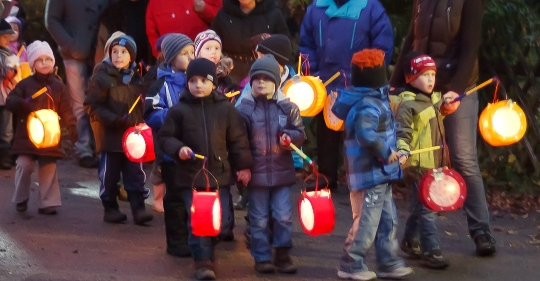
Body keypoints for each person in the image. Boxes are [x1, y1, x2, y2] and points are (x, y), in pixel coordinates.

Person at [389, 0, 496, 257]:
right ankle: (417, 238)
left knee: (463, 158)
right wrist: (394, 84)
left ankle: (481, 231)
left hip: (456, 87)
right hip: (421, 88)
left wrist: (456, 90)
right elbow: (412, 40)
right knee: (422, 160)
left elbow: (471, 47)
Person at [157, 58, 252, 280]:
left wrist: (243, 167)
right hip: (191, 176)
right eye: (193, 80)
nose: (198, 85)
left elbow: (238, 140)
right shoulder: (178, 111)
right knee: (198, 221)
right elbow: (165, 137)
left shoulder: (226, 110)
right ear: (187, 83)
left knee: (224, 220)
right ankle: (202, 261)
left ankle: (210, 244)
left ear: (213, 83)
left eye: (204, 80)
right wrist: (178, 148)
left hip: (220, 174)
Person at [331, 49, 413, 280]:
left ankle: (389, 260)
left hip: (381, 173)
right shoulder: (369, 104)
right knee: (367, 221)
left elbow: (382, 133)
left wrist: (395, 153)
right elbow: (366, 135)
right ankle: (351, 263)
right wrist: (386, 152)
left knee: (388, 218)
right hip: (369, 174)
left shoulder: (376, 101)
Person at [299, 0, 394, 191]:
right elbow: (306, 45)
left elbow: (382, 46)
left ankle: (365, 179)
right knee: (326, 133)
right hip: (324, 82)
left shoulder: (371, 8)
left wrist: (367, 74)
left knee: (361, 130)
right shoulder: (316, 8)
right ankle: (326, 176)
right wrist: (312, 74)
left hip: (359, 85)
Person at [236, 54, 304, 274]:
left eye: (267, 78)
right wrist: (243, 167)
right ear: (251, 81)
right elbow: (238, 141)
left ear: (276, 82)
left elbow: (299, 133)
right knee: (258, 218)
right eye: (257, 78)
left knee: (283, 215)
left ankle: (283, 254)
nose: (262, 82)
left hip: (281, 172)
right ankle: (262, 256)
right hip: (256, 174)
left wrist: (289, 138)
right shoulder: (244, 109)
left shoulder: (288, 107)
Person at [84, 34, 153, 225]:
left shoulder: (136, 78)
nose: (118, 56)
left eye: (123, 52)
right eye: (114, 52)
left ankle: (138, 208)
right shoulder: (102, 76)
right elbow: (91, 105)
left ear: (131, 56)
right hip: (110, 136)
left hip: (133, 138)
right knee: (109, 174)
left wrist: (141, 122)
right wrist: (113, 120)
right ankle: (110, 207)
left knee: (135, 173)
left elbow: (140, 105)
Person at [6, 40, 77, 215]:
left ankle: (48, 202)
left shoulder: (58, 86)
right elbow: (10, 101)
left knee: (48, 167)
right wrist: (21, 103)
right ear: (32, 64)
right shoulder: (24, 85)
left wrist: (72, 125)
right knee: (24, 165)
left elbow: (66, 109)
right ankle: (21, 198)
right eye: (40, 60)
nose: (45, 63)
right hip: (27, 136)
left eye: (48, 59)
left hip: (49, 136)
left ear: (53, 62)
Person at [394, 52, 449, 269]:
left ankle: (409, 240)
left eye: (432, 75)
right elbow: (403, 132)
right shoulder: (409, 106)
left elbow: (437, 118)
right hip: (417, 164)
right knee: (429, 206)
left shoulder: (433, 101)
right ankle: (431, 250)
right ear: (411, 78)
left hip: (433, 163)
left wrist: (444, 105)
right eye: (424, 75)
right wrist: (403, 150)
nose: (430, 80)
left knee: (419, 205)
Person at [144, 33, 195, 256]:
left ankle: (198, 238)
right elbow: (151, 112)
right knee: (174, 199)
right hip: (171, 153)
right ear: (172, 58)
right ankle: (176, 242)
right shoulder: (161, 83)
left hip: (195, 149)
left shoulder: (198, 80)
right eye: (185, 54)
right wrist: (175, 117)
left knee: (195, 197)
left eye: (192, 52)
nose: (190, 57)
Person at [45, 0, 110, 168]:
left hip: (101, 50)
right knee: (80, 102)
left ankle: (102, 145)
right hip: (74, 54)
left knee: (101, 100)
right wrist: (70, 45)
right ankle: (84, 149)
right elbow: (51, 20)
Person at [211, 0, 290, 84]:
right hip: (228, 74)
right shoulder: (224, 13)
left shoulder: (272, 13)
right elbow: (213, 41)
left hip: (263, 74)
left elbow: (284, 46)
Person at [146, 0, 222, 58]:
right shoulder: (154, 3)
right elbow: (151, 33)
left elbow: (224, 20)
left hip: (204, 60)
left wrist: (205, 9)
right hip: (172, 62)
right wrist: (161, 56)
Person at [193, 29, 236, 96]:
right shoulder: (192, 74)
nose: (213, 52)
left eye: (216, 48)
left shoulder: (225, 76)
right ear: (198, 53)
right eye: (208, 48)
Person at [0, 19, 18, 170]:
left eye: (8, 37)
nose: (8, 40)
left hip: (6, 97)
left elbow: (15, 72)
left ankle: (6, 155)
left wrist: (14, 73)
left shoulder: (10, 55)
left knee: (7, 127)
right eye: (4, 36)